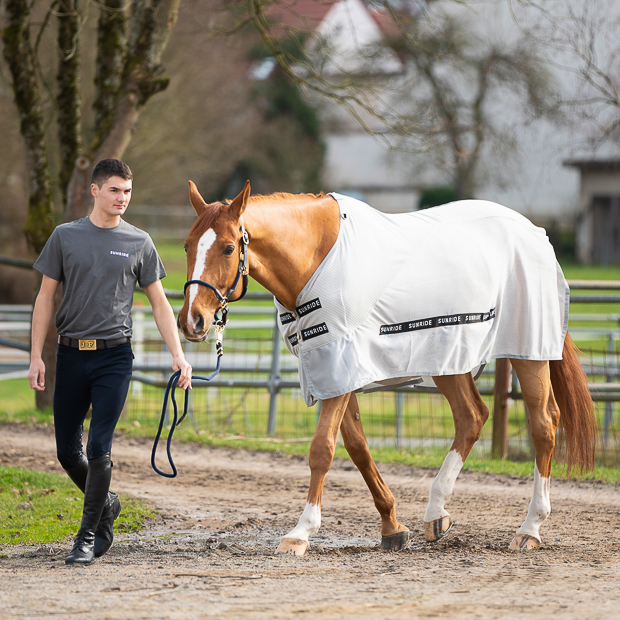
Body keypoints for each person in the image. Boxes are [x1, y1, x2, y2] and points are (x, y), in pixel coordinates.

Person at [27, 158, 192, 566]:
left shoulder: (140, 242)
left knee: (99, 446)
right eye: (115, 190)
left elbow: (159, 303)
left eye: (128, 192)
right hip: (69, 355)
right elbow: (45, 297)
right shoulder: (65, 237)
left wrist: (178, 353)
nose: (123, 198)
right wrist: (35, 356)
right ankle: (108, 503)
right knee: (68, 452)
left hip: (115, 357)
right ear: (95, 190)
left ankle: (90, 535)